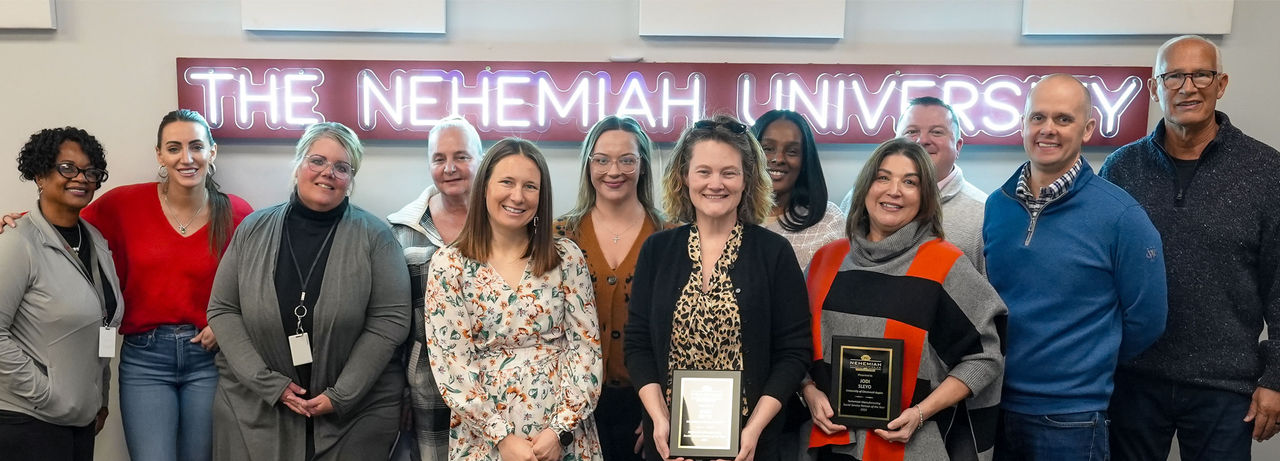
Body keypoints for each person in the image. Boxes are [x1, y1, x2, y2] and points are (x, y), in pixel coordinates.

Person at [0, 110, 254, 461]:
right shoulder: (123, 204)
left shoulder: (238, 213)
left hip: (208, 359)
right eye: (174, 148)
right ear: (159, 155)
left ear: (212, 152)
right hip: (146, 358)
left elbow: (256, 287)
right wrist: (15, 221)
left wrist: (225, 324)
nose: (186, 157)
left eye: (196, 146)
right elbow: (59, 224)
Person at [1100, 35, 1280, 458]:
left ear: (1221, 84)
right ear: (1154, 88)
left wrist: (1276, 377)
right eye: (1174, 76)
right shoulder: (1122, 167)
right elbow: (1099, 275)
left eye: (1201, 74)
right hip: (1133, 380)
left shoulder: (1266, 171)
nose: (1188, 87)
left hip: (1225, 386)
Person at [984, 74, 1167, 460]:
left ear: (1087, 129)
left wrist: (1088, 361)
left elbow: (1148, 319)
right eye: (1038, 117)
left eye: (1063, 119)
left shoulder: (1121, 215)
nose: (1048, 129)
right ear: (1022, 125)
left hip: (1071, 418)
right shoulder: (997, 205)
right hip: (993, 404)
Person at [206, 122, 411, 460]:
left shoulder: (376, 237)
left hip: (355, 415)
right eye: (317, 161)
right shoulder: (252, 230)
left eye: (342, 167)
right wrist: (267, 383)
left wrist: (342, 394)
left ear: (351, 179)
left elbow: (390, 320)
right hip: (255, 409)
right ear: (298, 164)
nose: (328, 173)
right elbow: (223, 309)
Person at [802, 138, 1005, 460]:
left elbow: (986, 357)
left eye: (910, 182)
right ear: (865, 187)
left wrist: (922, 412)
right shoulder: (826, 261)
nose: (894, 190)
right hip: (828, 446)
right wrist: (808, 391)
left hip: (909, 448)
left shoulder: (945, 265)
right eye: (883, 178)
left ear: (925, 197)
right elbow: (791, 343)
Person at [625, 115, 812, 461]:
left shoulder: (774, 253)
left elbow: (794, 352)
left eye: (729, 172)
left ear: (747, 179)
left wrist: (753, 430)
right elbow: (637, 345)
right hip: (669, 445)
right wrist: (659, 419)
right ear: (684, 176)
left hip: (749, 447)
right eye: (704, 171)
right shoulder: (657, 250)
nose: (716, 184)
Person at [425, 138, 603, 461]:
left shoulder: (566, 258)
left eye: (530, 186)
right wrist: (502, 438)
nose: (518, 196)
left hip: (563, 438)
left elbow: (585, 351)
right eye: (506, 182)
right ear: (484, 187)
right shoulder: (449, 265)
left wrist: (559, 431)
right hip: (485, 439)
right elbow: (452, 365)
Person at [0, 127, 124, 460]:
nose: (81, 178)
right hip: (28, 420)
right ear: (40, 174)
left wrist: (99, 399)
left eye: (90, 171)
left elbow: (102, 324)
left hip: (80, 419)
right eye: (68, 168)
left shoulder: (96, 241)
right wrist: (47, 395)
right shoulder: (16, 242)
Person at [554, 115, 667, 461]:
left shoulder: (670, 236)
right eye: (602, 160)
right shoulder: (558, 236)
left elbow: (681, 332)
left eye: (627, 160)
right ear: (588, 165)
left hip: (648, 403)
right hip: (570, 406)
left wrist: (663, 409)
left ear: (643, 165)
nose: (613, 171)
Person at [386, 116, 482, 461]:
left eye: (461, 157)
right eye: (439, 159)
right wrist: (400, 392)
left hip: (497, 384)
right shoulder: (401, 230)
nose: (450, 168)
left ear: (481, 160)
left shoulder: (507, 223)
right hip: (427, 388)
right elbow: (392, 321)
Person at [840, 97, 988, 273]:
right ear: (895, 141)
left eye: (937, 132)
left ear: (958, 146)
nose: (922, 140)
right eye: (911, 131)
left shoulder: (984, 213)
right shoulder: (861, 198)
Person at [751, 110, 844, 269]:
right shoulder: (729, 216)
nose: (778, 159)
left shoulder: (829, 221)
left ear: (805, 160)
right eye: (768, 148)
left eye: (792, 151)